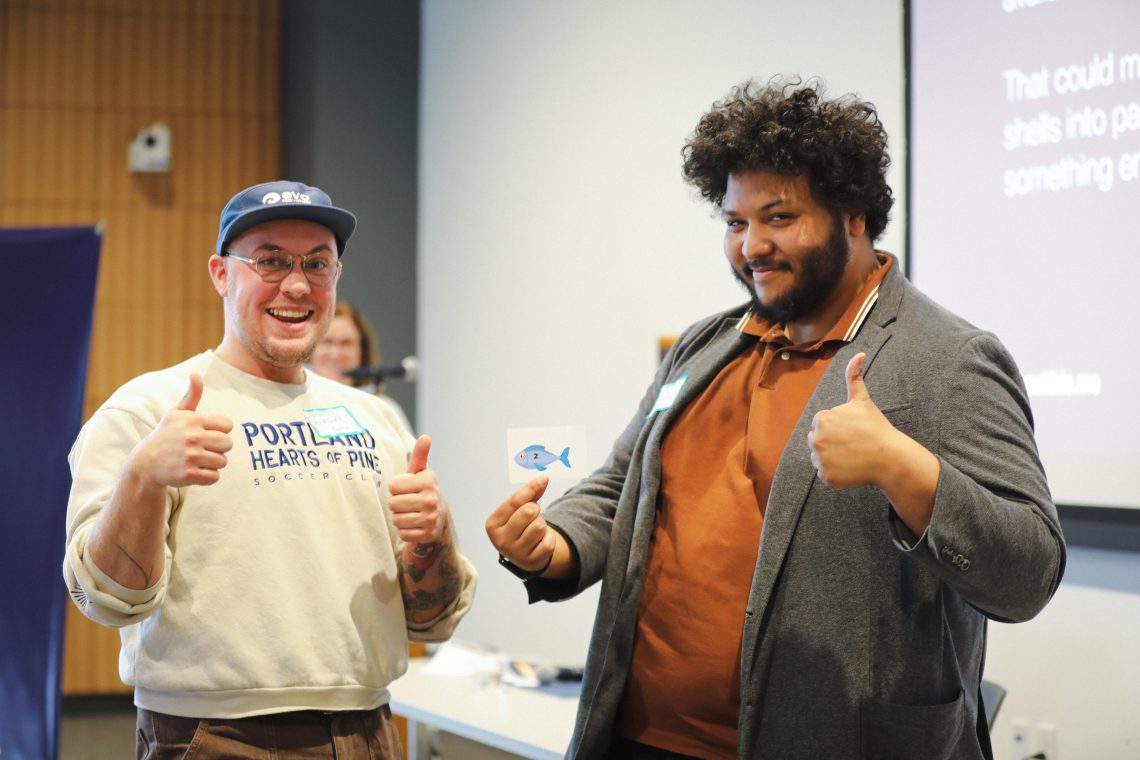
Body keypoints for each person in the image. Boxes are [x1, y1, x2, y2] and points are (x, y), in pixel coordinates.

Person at [486, 79, 1066, 759]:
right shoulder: (704, 346)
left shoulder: (949, 360)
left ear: (852, 214)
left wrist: (903, 468)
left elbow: (1027, 573)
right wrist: (552, 545)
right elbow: (624, 487)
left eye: (779, 217)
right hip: (642, 738)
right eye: (736, 223)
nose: (751, 245)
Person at [63, 180, 476, 758]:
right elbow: (103, 600)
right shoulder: (149, 411)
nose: (298, 284)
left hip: (370, 730)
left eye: (318, 264)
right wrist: (142, 478)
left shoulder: (376, 418)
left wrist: (434, 538)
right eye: (271, 261)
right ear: (221, 274)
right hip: (215, 737)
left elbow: (432, 621)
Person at [311, 300, 415, 436]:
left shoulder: (384, 409)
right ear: (310, 349)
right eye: (327, 341)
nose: (335, 353)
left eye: (346, 343)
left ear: (362, 351)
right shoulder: (294, 402)